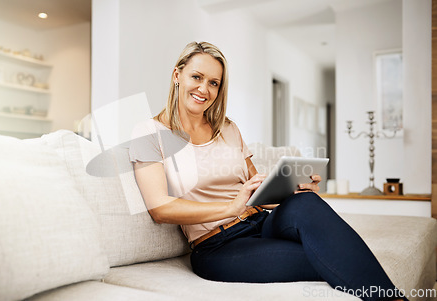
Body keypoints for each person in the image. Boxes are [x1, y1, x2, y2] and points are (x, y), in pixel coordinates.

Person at [129, 41, 407, 301]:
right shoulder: (149, 133)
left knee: (305, 202)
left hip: (262, 221)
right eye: (197, 77)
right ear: (177, 75)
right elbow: (160, 208)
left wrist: (292, 188)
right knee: (330, 255)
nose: (205, 89)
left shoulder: (228, 128)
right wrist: (231, 207)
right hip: (217, 245)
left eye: (214, 83)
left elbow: (258, 192)